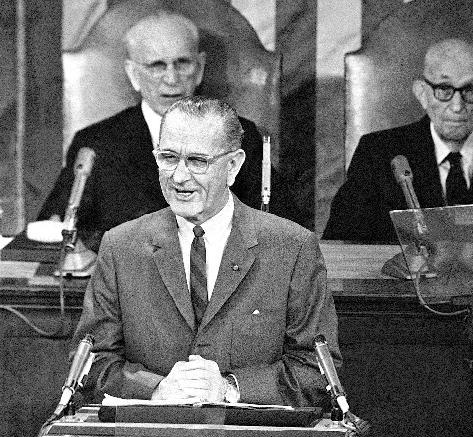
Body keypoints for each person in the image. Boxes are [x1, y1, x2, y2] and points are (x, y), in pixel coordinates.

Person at [76, 96, 339, 407]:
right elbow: (88, 364)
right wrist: (156, 388)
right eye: (169, 157)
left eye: (197, 161)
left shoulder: (292, 248)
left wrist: (230, 388)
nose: (179, 176)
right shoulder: (121, 247)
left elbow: (319, 371)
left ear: (233, 166)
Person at [38, 10, 293, 251]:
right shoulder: (95, 145)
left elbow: (282, 227)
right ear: (133, 73)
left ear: (200, 68)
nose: (171, 79)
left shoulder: (241, 136)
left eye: (182, 63)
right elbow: (56, 231)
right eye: (157, 66)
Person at [323, 38, 473, 243]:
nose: (457, 106)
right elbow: (342, 242)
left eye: (470, 90)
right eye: (444, 89)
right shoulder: (378, 153)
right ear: (422, 93)